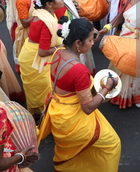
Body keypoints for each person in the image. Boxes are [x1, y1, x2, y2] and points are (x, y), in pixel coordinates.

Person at [47, 18, 120, 171]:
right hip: (74, 120)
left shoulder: (58, 51)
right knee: (112, 144)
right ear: (77, 43)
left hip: (59, 113)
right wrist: (107, 87)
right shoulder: (78, 70)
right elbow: (88, 107)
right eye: (89, 40)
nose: (93, 43)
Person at [18, 0, 64, 116]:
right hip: (35, 59)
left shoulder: (43, 13)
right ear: (49, 4)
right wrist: (60, 48)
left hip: (30, 52)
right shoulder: (45, 21)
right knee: (43, 89)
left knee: (39, 89)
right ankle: (41, 116)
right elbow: (43, 52)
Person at [14, 0, 38, 70]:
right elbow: (24, 23)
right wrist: (38, 15)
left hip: (36, 28)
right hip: (27, 32)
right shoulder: (21, 1)